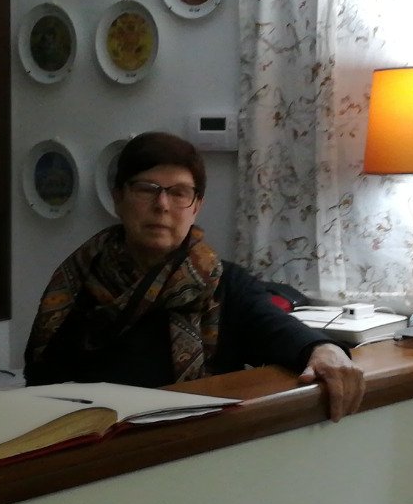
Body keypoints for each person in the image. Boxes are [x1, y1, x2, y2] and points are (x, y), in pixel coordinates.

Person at [23, 132, 367, 420]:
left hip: (190, 449)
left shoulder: (224, 284)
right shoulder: (78, 280)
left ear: (196, 206)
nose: (162, 205)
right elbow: (40, 380)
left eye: (179, 193)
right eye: (146, 189)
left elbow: (277, 329)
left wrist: (324, 349)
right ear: (118, 198)